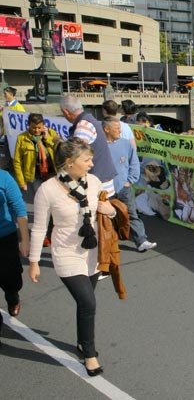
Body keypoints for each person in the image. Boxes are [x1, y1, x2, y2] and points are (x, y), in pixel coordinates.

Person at [28, 137, 116, 377]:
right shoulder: (48, 190)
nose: (91, 164)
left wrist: (110, 210)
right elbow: (39, 228)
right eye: (87, 160)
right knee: (88, 302)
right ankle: (89, 354)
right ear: (69, 162)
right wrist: (34, 262)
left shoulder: (94, 182)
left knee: (84, 303)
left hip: (92, 252)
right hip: (66, 253)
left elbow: (108, 211)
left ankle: (81, 341)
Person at [102, 116, 157, 252]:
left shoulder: (126, 144)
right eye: (116, 129)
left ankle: (141, 241)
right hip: (104, 190)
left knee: (132, 214)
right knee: (106, 219)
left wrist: (130, 180)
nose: (120, 131)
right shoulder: (98, 146)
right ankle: (108, 245)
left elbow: (134, 163)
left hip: (123, 188)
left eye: (120, 128)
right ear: (106, 129)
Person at [60, 95, 118, 197]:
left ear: (66, 112)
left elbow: (77, 155)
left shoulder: (83, 126)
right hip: (103, 180)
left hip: (96, 184)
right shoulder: (90, 120)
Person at [0, 169, 29, 347]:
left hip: (5, 238)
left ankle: (12, 296)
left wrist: (25, 240)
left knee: (11, 280)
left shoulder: (3, 178)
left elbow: (19, 208)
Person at [13, 113, 59, 203]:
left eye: (39, 127)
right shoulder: (22, 138)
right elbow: (17, 161)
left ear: (43, 125)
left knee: (55, 201)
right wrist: (21, 182)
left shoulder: (52, 133)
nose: (37, 130)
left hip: (52, 174)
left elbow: (61, 149)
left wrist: (48, 139)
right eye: (34, 128)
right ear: (28, 125)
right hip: (35, 177)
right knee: (40, 201)